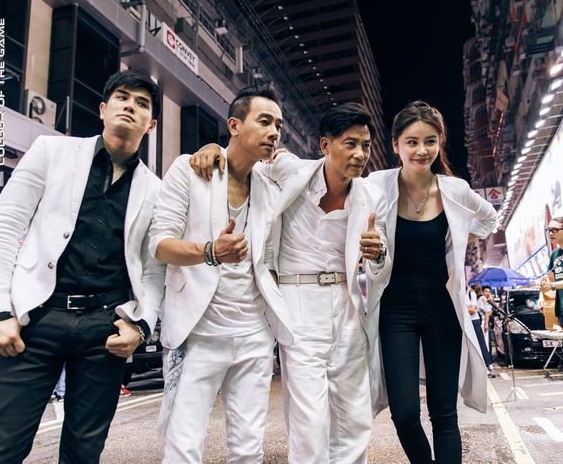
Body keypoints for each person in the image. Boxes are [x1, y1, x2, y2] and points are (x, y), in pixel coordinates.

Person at [0, 70, 166, 464]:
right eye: (122, 97)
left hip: (105, 329)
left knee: (83, 453)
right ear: (103, 109)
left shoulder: (156, 189)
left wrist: (142, 325)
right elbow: (3, 227)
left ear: (152, 124)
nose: (130, 106)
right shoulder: (50, 151)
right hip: (35, 320)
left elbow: (154, 267)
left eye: (142, 103)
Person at [189, 102, 391, 464]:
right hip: (298, 304)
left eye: (365, 145)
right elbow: (244, 159)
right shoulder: (290, 170)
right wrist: (214, 148)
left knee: (355, 417)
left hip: (348, 305)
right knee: (308, 421)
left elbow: (382, 266)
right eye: (350, 144)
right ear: (325, 145)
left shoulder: (373, 197)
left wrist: (378, 254)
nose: (360, 154)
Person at [149, 84, 293, 463]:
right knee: (182, 449)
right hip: (197, 333)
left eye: (278, 125)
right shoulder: (190, 170)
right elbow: (160, 244)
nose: (274, 132)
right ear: (234, 125)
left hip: (254, 336)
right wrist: (211, 251)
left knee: (248, 450)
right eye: (265, 121)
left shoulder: (271, 188)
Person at [365, 101, 497, 464]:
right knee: (404, 413)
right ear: (395, 145)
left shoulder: (455, 188)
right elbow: (333, 175)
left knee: (444, 414)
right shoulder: (376, 185)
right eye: (412, 142)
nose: (421, 150)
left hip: (443, 308)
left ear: (440, 143)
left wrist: (458, 239)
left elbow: (490, 219)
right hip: (395, 310)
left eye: (430, 141)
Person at [541, 216, 563, 326]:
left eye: (555, 230)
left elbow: (552, 284)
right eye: (549, 230)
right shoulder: (555, 253)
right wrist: (542, 294)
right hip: (560, 308)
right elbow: (550, 278)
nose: (550, 233)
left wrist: (552, 286)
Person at [471, 284, 495, 378]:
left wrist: (485, 323)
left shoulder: (482, 298)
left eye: (489, 291)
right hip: (480, 321)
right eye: (486, 291)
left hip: (482, 322)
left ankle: (488, 365)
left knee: (484, 343)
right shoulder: (478, 298)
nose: (488, 293)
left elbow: (487, 311)